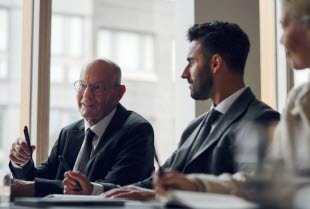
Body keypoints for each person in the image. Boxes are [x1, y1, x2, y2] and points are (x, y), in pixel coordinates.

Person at [155, 0, 310, 208]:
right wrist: (197, 185)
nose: (282, 41)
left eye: (285, 26)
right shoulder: (300, 102)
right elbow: (269, 181)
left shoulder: (268, 115)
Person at [87, 21, 280, 200]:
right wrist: (102, 193)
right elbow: (159, 181)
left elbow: (252, 193)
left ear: (215, 63)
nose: (184, 73)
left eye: (192, 62)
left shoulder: (263, 120)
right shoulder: (195, 126)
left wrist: (156, 196)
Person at [9, 59, 155, 197]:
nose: (86, 95)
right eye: (82, 86)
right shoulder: (68, 133)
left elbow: (117, 189)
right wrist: (22, 162)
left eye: (97, 88)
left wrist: (35, 187)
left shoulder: (137, 130)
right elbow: (38, 179)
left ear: (119, 93)